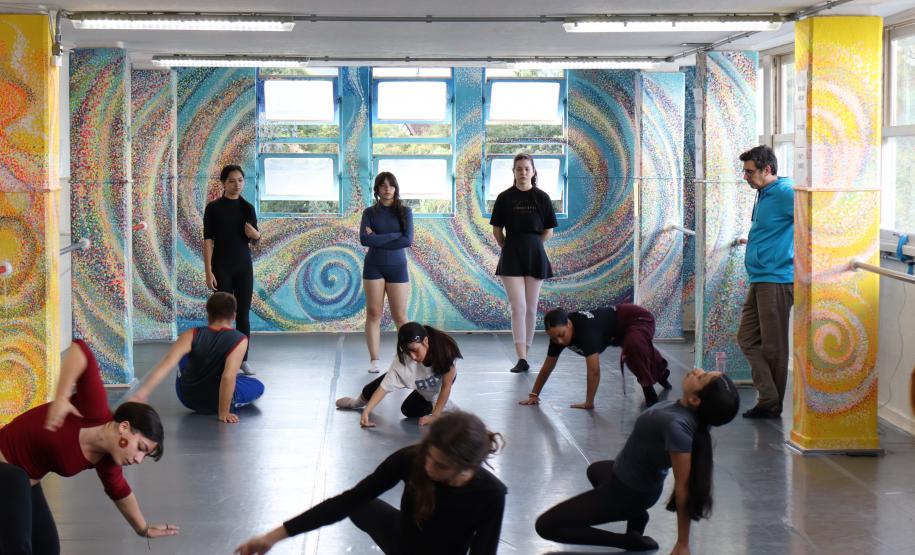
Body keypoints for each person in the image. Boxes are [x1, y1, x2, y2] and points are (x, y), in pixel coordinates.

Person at [234, 411, 506, 555]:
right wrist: (271, 538)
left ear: (467, 466)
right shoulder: (412, 459)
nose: (428, 467)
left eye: (440, 466)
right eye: (429, 457)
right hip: (403, 541)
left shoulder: (491, 493)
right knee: (360, 504)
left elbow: (484, 551)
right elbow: (346, 501)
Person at [0, 340, 179, 554]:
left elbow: (121, 493)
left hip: (22, 483)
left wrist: (143, 529)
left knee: (47, 548)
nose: (138, 459)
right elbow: (80, 350)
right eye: (140, 447)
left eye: (144, 455)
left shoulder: (107, 462)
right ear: (124, 427)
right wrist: (61, 396)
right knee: (18, 543)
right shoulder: (94, 408)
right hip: (7, 472)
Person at [535, 369, 739, 554]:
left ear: (696, 400)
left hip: (629, 492)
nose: (696, 370)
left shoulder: (677, 427)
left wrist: (683, 543)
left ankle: (626, 541)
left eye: (701, 377)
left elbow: (683, 488)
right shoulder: (686, 413)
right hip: (628, 477)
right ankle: (637, 516)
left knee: (546, 526)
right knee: (595, 470)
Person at [129, 292, 265, 423]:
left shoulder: (191, 333)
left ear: (208, 314)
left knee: (181, 354)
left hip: (187, 397)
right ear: (234, 316)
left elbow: (167, 363)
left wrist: (142, 393)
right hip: (214, 402)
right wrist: (223, 412)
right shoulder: (240, 339)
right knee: (257, 385)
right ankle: (227, 398)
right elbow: (228, 376)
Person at [736, 146, 795, 419]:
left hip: (777, 278)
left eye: (749, 171)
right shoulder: (763, 193)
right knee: (746, 338)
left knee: (774, 346)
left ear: (767, 170)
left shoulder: (785, 192)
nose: (745, 176)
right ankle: (769, 397)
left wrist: (787, 253)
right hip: (760, 276)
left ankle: (770, 404)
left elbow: (813, 221)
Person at [519, 306, 673, 409]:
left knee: (633, 347)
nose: (559, 341)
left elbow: (594, 370)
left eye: (561, 335)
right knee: (632, 347)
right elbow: (547, 367)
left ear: (569, 324)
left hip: (636, 318)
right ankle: (661, 372)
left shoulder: (586, 332)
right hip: (616, 333)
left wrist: (589, 402)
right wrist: (534, 395)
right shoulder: (557, 336)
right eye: (554, 338)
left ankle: (648, 386)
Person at [490, 153, 557, 374]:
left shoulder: (543, 197)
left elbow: (548, 230)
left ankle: (526, 354)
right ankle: (520, 357)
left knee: (531, 307)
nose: (523, 172)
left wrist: (533, 245)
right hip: (511, 254)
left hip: (535, 254)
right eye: (519, 169)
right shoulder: (504, 198)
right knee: (517, 307)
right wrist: (508, 247)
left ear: (533, 171)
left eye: (527, 168)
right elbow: (497, 230)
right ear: (514, 172)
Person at [336, 322, 461, 428]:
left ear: (426, 341)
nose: (412, 356)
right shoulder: (403, 361)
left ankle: (443, 406)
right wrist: (366, 412)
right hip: (418, 378)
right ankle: (355, 403)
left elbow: (446, 386)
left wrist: (435, 416)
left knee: (412, 408)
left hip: (437, 383)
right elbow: (383, 388)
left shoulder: (445, 352)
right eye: (408, 352)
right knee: (371, 389)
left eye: (415, 350)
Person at [203, 164, 260, 376]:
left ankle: (243, 359)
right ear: (223, 183)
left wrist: (255, 235)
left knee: (243, 314)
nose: (237, 185)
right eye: (231, 181)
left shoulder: (247, 208)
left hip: (244, 266)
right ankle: (222, 358)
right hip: (221, 266)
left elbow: (255, 239)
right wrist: (208, 270)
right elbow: (208, 240)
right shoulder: (213, 208)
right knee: (222, 315)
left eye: (240, 180)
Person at [360, 171, 414, 374]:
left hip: (397, 267)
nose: (387, 188)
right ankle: (375, 360)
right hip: (374, 266)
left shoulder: (405, 211)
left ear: (395, 188)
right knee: (373, 313)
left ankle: (407, 357)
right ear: (377, 189)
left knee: (400, 316)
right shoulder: (369, 213)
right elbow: (365, 240)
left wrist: (379, 237)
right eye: (383, 185)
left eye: (391, 185)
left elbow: (407, 240)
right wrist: (395, 236)